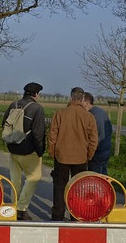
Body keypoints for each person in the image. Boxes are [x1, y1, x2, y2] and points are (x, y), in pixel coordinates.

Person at [48, 87, 98, 221]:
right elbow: (93, 140)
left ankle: (57, 215)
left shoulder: (59, 114)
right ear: (82, 99)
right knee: (78, 189)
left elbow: (52, 136)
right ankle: (76, 215)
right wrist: (89, 155)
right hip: (81, 158)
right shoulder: (89, 117)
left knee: (59, 187)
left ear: (70, 97)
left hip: (61, 156)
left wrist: (52, 152)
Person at [1, 82, 46, 221]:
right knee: (33, 178)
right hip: (28, 151)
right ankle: (22, 208)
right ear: (36, 94)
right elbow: (38, 134)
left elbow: (4, 124)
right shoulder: (37, 109)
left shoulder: (13, 105)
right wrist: (40, 151)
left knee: (15, 179)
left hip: (13, 148)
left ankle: (13, 207)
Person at [82, 92, 113, 175]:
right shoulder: (101, 111)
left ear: (87, 103)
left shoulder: (91, 115)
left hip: (97, 151)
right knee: (103, 176)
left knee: (94, 177)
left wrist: (89, 152)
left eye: (82, 102)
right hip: (106, 148)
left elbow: (94, 135)